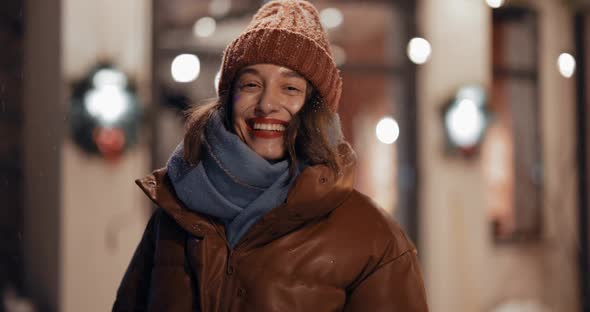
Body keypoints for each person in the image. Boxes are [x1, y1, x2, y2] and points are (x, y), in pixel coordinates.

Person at [112, 0, 429, 311]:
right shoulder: (174, 214)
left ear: (314, 108)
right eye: (251, 84)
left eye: (290, 88)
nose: (266, 104)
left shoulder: (372, 237)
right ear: (228, 97)